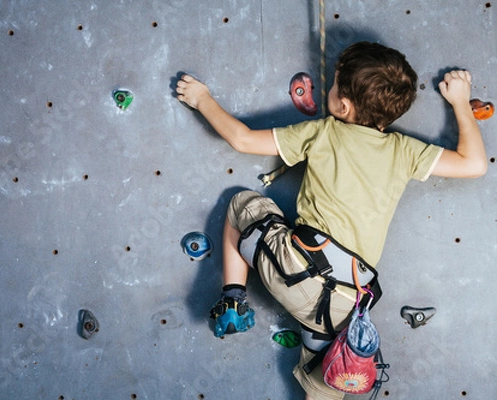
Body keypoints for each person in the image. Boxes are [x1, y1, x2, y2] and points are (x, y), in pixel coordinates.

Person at [175, 41, 487, 400]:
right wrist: (461, 102)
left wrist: (202, 99)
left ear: (343, 105)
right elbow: (474, 164)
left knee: (243, 204)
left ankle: (233, 298)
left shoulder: (324, 132)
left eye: (335, 83)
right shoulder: (405, 151)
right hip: (343, 308)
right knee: (325, 389)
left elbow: (242, 139)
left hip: (295, 269)